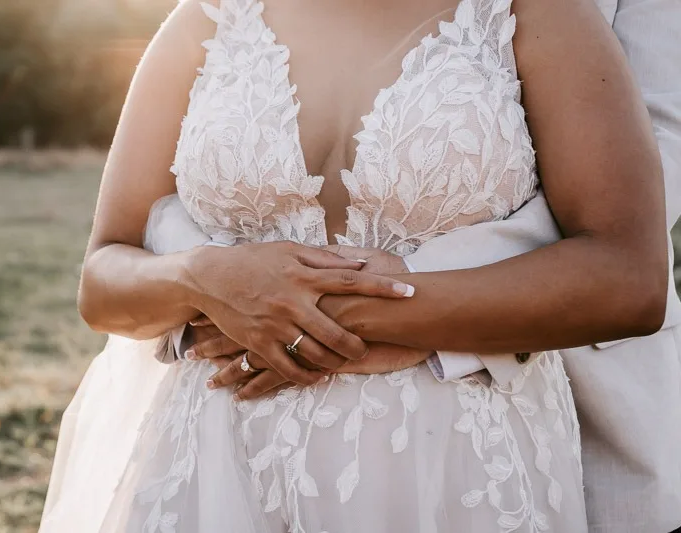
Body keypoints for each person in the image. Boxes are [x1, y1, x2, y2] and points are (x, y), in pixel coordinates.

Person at [39, 0, 669, 532]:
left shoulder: (535, 15)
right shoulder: (211, 18)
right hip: (212, 451)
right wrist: (201, 278)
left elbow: (627, 279)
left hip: (453, 459)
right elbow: (103, 278)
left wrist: (341, 312)